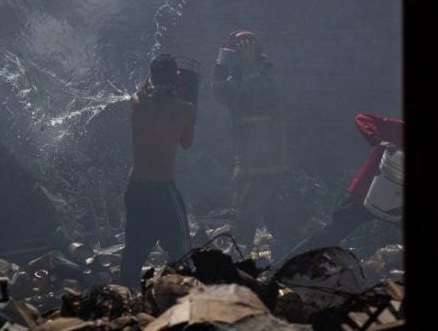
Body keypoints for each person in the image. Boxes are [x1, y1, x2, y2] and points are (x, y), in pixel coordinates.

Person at [277, 112, 403, 264]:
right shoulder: (399, 129)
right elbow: (363, 118)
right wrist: (378, 140)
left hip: (397, 203)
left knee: (331, 234)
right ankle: (282, 267)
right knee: (331, 235)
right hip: (366, 194)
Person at [118, 53, 196, 287]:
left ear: (152, 77)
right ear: (176, 78)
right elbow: (187, 143)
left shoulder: (137, 104)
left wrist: (150, 80)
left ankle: (126, 300)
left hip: (137, 189)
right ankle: (181, 303)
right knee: (181, 252)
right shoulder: (185, 109)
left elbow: (140, 92)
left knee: (133, 252)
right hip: (163, 191)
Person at [211, 30, 288, 251]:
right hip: (248, 160)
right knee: (267, 215)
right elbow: (219, 93)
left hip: (265, 163)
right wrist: (220, 66)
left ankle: (239, 264)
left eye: (234, 56)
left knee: (244, 216)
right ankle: (273, 258)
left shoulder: (265, 76)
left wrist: (249, 66)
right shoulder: (238, 76)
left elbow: (256, 96)